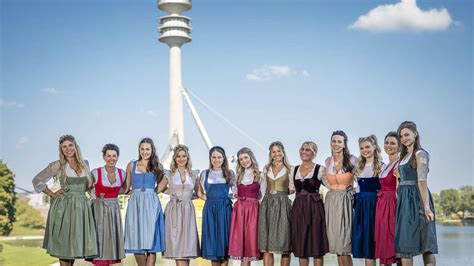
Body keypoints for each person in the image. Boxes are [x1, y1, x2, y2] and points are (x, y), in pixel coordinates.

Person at [32, 134, 97, 266]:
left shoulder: (86, 164)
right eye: (64, 147)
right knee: (64, 247)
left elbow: (90, 187)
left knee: (73, 247)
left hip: (81, 208)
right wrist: (52, 193)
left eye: (70, 145)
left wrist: (95, 201)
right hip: (64, 208)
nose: (68, 149)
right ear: (61, 150)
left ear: (75, 146)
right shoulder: (58, 165)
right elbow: (37, 180)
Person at [395, 121, 438, 266]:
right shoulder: (403, 156)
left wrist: (426, 206)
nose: (404, 138)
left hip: (418, 199)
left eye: (407, 134)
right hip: (404, 202)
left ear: (415, 133)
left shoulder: (421, 154)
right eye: (401, 136)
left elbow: (422, 181)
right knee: (405, 244)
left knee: (427, 246)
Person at [124, 137, 166, 266]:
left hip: (151, 203)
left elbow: (163, 181)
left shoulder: (158, 166)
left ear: (152, 150)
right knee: (137, 240)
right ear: (139, 150)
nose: (145, 151)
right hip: (135, 204)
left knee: (151, 241)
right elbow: (126, 187)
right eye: (142, 149)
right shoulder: (132, 165)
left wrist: (153, 192)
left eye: (147, 149)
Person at [290, 141, 329, 266]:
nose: (304, 152)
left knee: (316, 246)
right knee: (302, 246)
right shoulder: (294, 169)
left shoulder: (320, 169)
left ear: (314, 153)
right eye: (302, 149)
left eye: (307, 150)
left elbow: (331, 185)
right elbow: (290, 189)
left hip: (315, 209)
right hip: (298, 209)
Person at [198, 146, 236, 266]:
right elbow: (199, 192)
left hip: (225, 210)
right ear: (210, 158)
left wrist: (225, 199)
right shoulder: (205, 173)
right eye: (214, 157)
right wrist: (210, 200)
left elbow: (236, 192)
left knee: (225, 244)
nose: (216, 160)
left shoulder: (229, 174)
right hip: (210, 211)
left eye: (219, 157)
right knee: (213, 244)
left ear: (223, 158)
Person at [162, 145, 200, 265]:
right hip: (174, 211)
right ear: (174, 158)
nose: (181, 159)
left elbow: (198, 193)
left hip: (188, 211)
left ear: (187, 157)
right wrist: (174, 194)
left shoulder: (194, 174)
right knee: (178, 247)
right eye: (178, 156)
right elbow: (160, 189)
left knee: (187, 248)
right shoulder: (169, 174)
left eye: (184, 156)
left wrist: (188, 197)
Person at [324, 130, 358, 266]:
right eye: (334, 141)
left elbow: (365, 176)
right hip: (331, 201)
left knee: (345, 244)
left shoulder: (352, 159)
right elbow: (325, 180)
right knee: (337, 244)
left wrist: (354, 190)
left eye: (339, 141)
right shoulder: (328, 161)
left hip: (346, 201)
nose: (336, 144)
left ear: (344, 144)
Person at [90, 144, 126, 266]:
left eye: (114, 156)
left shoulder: (122, 173)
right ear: (104, 157)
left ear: (118, 157)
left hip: (114, 210)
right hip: (100, 209)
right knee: (100, 240)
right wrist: (96, 200)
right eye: (108, 156)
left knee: (111, 241)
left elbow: (123, 190)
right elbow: (88, 189)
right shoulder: (95, 172)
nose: (111, 158)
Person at [229, 147, 266, 264]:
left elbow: (263, 195)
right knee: (240, 243)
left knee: (250, 242)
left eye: (245, 158)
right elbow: (235, 193)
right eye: (241, 159)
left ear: (251, 158)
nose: (244, 161)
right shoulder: (237, 177)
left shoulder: (260, 176)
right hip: (239, 211)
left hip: (253, 211)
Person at [258, 141, 292, 266]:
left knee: (285, 242)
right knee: (267, 243)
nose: (276, 154)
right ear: (270, 154)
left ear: (283, 152)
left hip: (283, 203)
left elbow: (293, 189)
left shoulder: (290, 169)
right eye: (273, 152)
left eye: (278, 151)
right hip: (267, 204)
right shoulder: (266, 168)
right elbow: (263, 188)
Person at [352, 135, 382, 266]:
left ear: (374, 147)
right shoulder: (358, 166)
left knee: (376, 241)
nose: (365, 150)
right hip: (361, 207)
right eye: (362, 148)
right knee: (366, 245)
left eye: (368, 147)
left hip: (375, 206)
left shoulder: (382, 166)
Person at [374, 133, 401, 266]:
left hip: (392, 204)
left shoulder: (398, 165)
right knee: (383, 242)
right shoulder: (384, 166)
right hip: (382, 205)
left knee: (393, 241)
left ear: (399, 146)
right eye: (387, 143)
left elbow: (399, 189)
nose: (388, 146)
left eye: (392, 143)